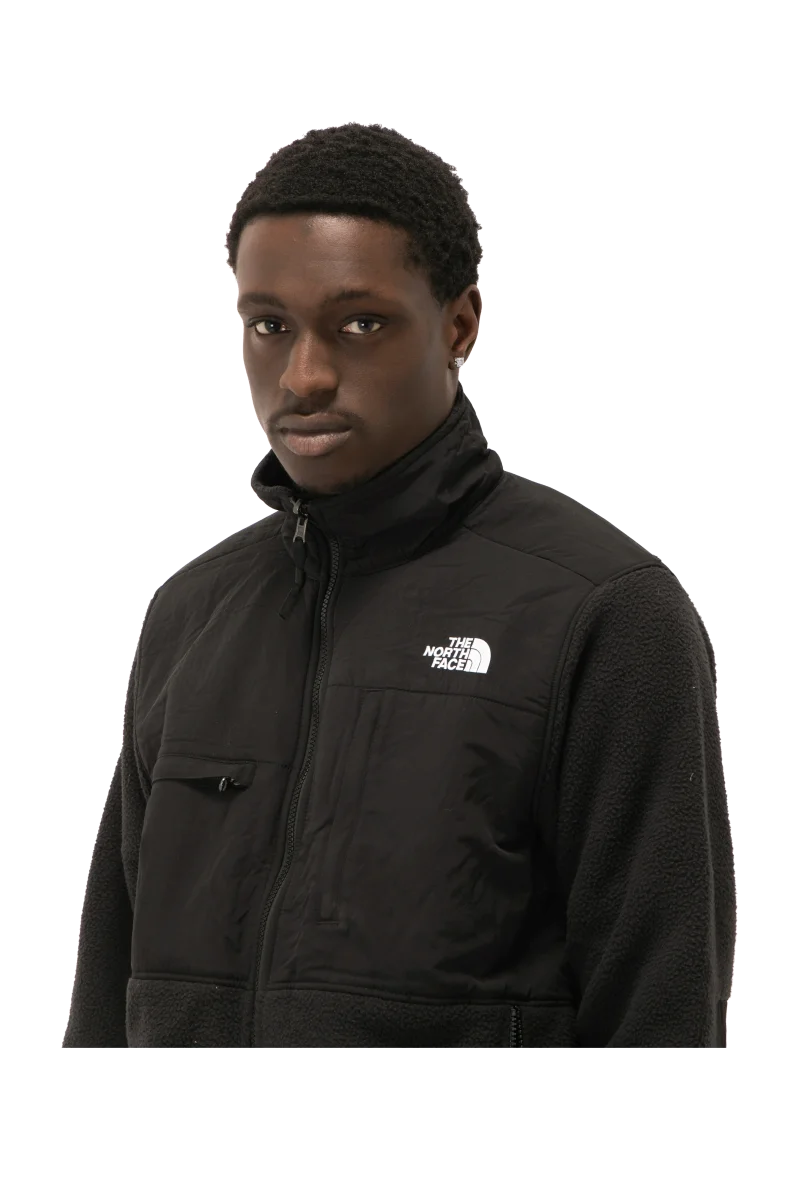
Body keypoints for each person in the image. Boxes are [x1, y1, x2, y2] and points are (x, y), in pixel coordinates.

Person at [63, 123, 736, 1048]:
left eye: (359, 324)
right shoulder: (194, 614)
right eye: (269, 326)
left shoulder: (599, 610)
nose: (303, 376)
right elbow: (108, 988)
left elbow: (660, 1004)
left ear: (459, 324)